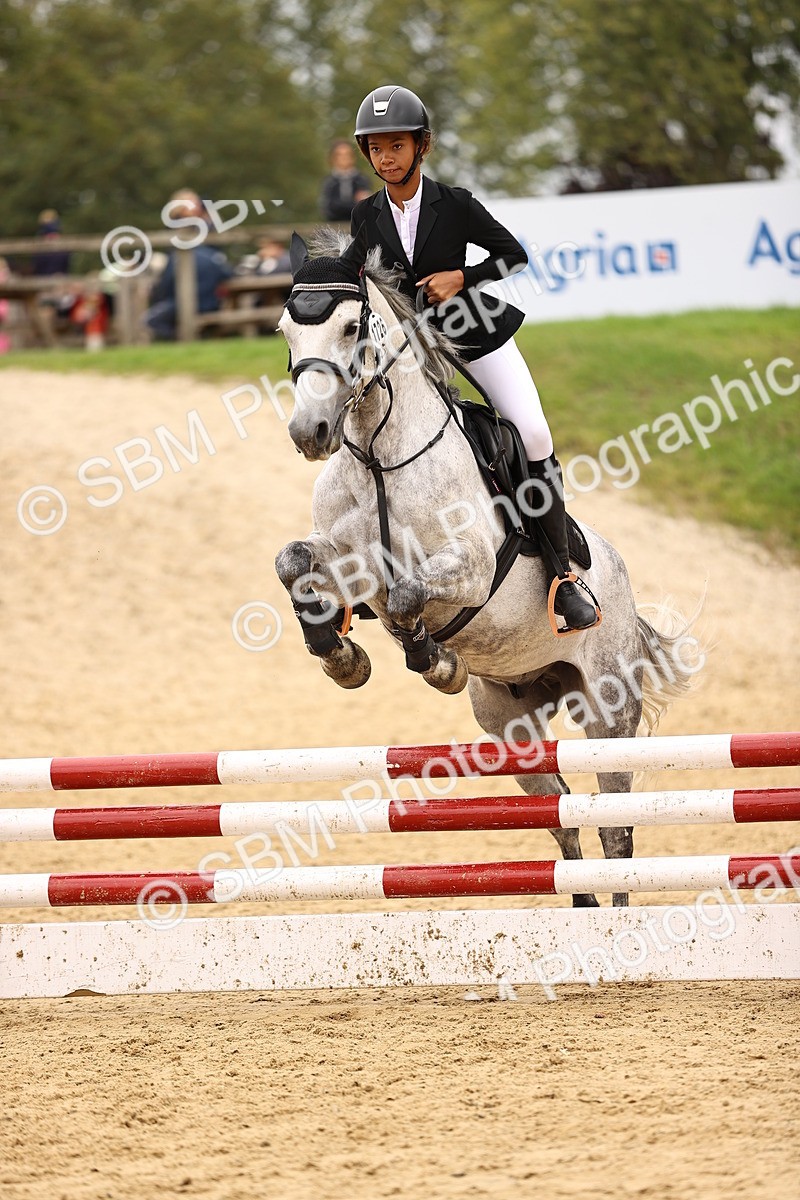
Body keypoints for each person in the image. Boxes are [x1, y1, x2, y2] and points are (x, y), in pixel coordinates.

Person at [351, 84, 598, 631]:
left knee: (532, 433)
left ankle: (562, 577)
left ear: (422, 145)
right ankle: (369, 570)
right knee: (374, 436)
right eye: (376, 148)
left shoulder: (456, 203)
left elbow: (513, 255)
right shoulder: (365, 215)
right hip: (409, 348)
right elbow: (356, 277)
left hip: (470, 332)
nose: (386, 158)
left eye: (397, 146)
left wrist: (464, 277)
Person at [144, 190, 232, 340]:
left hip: (203, 286)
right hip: (183, 289)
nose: (196, 207)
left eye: (197, 203)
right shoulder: (177, 229)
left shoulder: (208, 225)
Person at [320, 140, 372, 222]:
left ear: (353, 157)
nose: (344, 158)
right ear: (333, 158)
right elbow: (328, 209)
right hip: (335, 225)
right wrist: (354, 204)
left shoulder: (362, 180)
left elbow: (365, 208)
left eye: (347, 154)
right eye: (339, 155)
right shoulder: (329, 182)